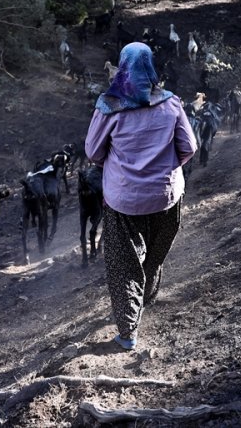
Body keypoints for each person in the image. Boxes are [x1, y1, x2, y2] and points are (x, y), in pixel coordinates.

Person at [84, 42, 197, 350]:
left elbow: (93, 152)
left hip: (124, 202)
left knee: (125, 266)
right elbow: (189, 148)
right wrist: (164, 168)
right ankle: (144, 300)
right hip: (166, 197)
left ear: (122, 69)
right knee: (153, 257)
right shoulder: (170, 103)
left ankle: (128, 331)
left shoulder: (109, 106)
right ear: (150, 68)